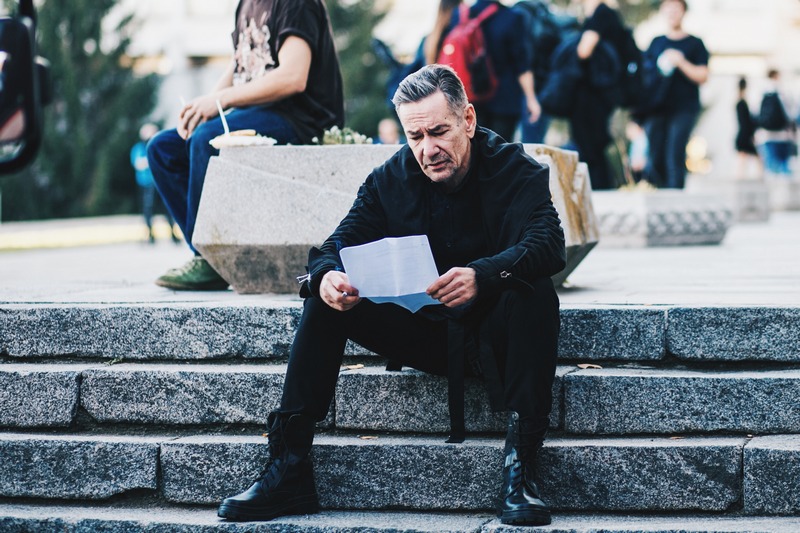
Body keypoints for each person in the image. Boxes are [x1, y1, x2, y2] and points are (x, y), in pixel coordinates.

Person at [216, 65, 566, 527]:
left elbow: (549, 243)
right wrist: (326, 277)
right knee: (325, 294)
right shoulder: (390, 179)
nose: (427, 149)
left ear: (468, 120)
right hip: (423, 335)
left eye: (438, 131)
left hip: (498, 339)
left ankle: (521, 468)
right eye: (415, 136)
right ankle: (289, 467)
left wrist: (482, 276)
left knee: (534, 290)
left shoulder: (514, 168)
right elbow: (335, 245)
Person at [147, 0, 344, 290]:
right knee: (163, 149)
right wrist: (204, 107)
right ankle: (211, 258)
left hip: (300, 119)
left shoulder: (295, 3)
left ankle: (207, 260)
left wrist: (220, 101)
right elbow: (240, 63)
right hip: (256, 114)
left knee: (206, 139)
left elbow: (293, 77)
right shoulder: (246, 4)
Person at [641, 0, 709, 189]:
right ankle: (658, 193)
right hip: (657, 109)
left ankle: (675, 197)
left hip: (684, 108)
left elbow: (703, 75)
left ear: (684, 11)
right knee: (655, 156)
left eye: (676, 8)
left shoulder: (695, 44)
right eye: (668, 7)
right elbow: (645, 75)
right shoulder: (656, 43)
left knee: (674, 154)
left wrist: (681, 62)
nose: (672, 12)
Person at [569, 0, 628, 190]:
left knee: (591, 149)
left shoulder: (602, 13)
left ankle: (599, 193)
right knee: (592, 147)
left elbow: (584, 51)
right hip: (598, 94)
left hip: (594, 95)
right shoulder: (600, 15)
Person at [130, 123, 181, 244]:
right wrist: (152, 158)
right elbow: (139, 164)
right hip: (146, 184)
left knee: (168, 207)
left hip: (161, 181)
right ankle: (150, 234)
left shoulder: (159, 146)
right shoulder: (138, 148)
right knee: (148, 209)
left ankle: (173, 233)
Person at [758, 69, 795, 177]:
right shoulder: (782, 90)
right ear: (776, 76)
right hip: (782, 132)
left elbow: (757, 112)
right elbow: (789, 111)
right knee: (783, 163)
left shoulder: (762, 90)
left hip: (767, 132)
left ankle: (771, 179)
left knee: (771, 164)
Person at [734, 77, 761, 180]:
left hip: (743, 134)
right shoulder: (742, 103)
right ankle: (759, 177)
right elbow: (746, 122)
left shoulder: (739, 102)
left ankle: (741, 177)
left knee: (743, 158)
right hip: (745, 135)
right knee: (751, 157)